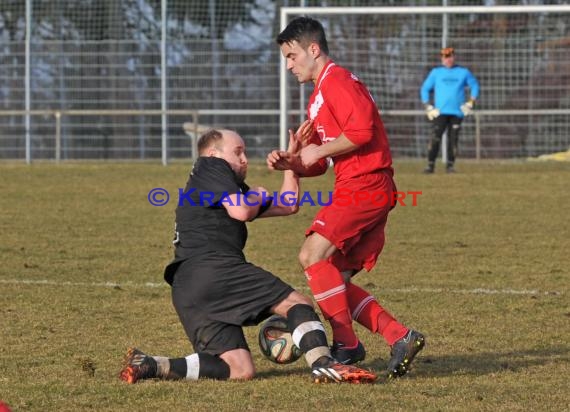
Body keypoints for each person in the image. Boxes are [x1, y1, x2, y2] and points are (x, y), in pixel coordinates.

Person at [119, 127, 377, 385]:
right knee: (298, 304)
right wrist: (256, 195)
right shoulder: (211, 166)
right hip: (214, 269)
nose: (244, 159)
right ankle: (324, 364)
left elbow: (288, 204)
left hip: (187, 287)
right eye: (238, 152)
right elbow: (242, 211)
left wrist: (291, 162)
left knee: (238, 368)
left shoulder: (219, 185)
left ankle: (153, 364)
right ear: (213, 153)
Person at [268, 16, 425, 379]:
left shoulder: (337, 81)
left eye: (291, 56)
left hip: (365, 185)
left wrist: (317, 152)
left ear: (313, 49)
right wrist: (295, 162)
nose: (289, 65)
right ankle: (399, 336)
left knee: (311, 255)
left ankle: (347, 345)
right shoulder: (318, 98)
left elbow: (363, 131)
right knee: (333, 277)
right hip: (356, 185)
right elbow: (323, 163)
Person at [420, 46, 480, 174]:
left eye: (450, 57)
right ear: (442, 59)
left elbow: (474, 85)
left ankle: (450, 166)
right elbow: (425, 88)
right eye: (445, 57)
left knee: (453, 139)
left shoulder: (463, 72)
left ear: (454, 57)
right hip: (440, 112)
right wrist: (427, 105)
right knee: (435, 137)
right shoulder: (436, 72)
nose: (448, 60)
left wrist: (471, 102)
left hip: (457, 112)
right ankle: (430, 165)